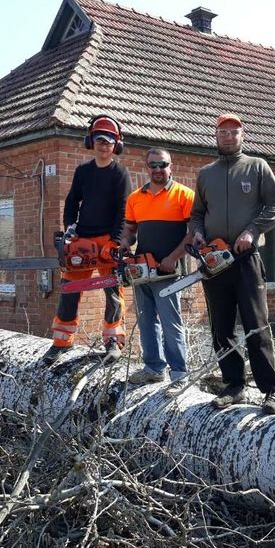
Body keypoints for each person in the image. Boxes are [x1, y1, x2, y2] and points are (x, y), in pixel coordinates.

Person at [188, 114, 275, 412]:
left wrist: (252, 230)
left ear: (243, 135)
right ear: (215, 136)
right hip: (215, 261)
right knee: (221, 326)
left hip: (246, 258)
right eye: (223, 132)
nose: (228, 137)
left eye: (233, 132)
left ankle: (272, 388)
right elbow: (197, 214)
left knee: (256, 324)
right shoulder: (206, 174)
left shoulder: (257, 166)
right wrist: (199, 235)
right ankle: (234, 385)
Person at [43, 115, 133, 363]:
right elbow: (72, 202)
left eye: (109, 142)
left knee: (113, 291)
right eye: (100, 141)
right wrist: (70, 228)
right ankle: (61, 341)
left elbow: (123, 210)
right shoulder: (83, 171)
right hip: (82, 239)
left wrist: (115, 242)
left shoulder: (120, 173)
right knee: (70, 289)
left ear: (116, 145)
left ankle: (113, 341)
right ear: (91, 142)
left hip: (107, 241)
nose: (104, 146)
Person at [119, 148, 194, 384]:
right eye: (153, 165)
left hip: (169, 271)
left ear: (171, 166)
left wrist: (173, 257)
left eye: (162, 165)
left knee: (171, 322)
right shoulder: (135, 198)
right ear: (147, 167)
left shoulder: (184, 195)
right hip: (142, 269)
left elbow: (193, 233)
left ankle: (179, 373)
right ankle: (153, 368)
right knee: (146, 319)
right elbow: (130, 230)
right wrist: (123, 243)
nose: (158, 170)